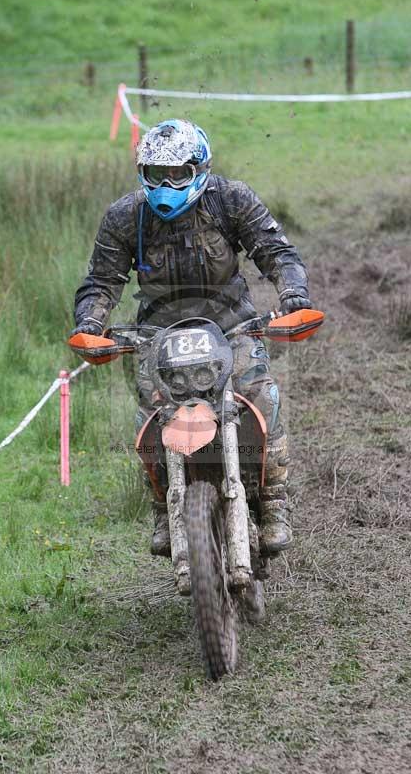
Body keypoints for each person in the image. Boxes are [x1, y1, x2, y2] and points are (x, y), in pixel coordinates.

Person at [72, 119, 311, 558]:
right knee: (150, 416)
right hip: (158, 334)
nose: (166, 185)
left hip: (231, 324)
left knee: (261, 395)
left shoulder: (230, 199)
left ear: (199, 169)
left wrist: (293, 294)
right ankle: (163, 506)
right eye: (155, 174)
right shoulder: (125, 216)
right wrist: (90, 323)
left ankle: (274, 500)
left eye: (177, 174)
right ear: (142, 173)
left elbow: (276, 252)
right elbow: (101, 281)